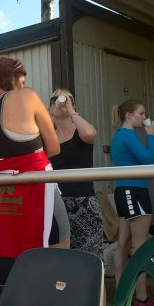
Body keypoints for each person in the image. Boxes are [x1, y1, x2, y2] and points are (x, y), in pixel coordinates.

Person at [0, 56, 69, 258]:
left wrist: (4, 166)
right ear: (12, 77)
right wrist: (23, 160)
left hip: (4, 196)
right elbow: (54, 147)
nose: (23, 85)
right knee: (60, 246)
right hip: (39, 185)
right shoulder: (27, 96)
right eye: (21, 81)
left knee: (19, 253)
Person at [110, 99, 154, 306]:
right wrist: (151, 135)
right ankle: (141, 299)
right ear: (128, 115)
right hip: (134, 190)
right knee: (140, 245)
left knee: (123, 243)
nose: (144, 117)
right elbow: (148, 160)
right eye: (141, 113)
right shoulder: (128, 134)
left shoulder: (121, 135)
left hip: (126, 190)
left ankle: (122, 297)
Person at [47, 88, 103, 256]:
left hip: (84, 200)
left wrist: (71, 111)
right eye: (54, 99)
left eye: (67, 98)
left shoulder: (80, 131)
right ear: (50, 108)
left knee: (90, 256)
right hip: (57, 202)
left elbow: (90, 134)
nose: (60, 101)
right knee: (62, 257)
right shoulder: (48, 138)